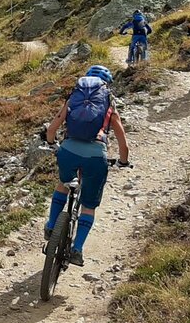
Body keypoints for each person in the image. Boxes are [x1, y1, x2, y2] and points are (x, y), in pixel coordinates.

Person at [42, 65, 130, 267]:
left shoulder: (74, 97)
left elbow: (53, 126)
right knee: (88, 205)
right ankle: (77, 249)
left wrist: (52, 143)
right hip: (95, 156)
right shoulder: (108, 103)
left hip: (68, 151)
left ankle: (51, 225)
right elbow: (123, 141)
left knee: (64, 184)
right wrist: (123, 161)